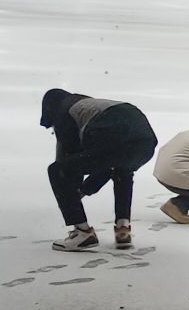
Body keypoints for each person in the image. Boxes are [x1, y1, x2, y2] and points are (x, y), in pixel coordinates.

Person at [41, 88, 159, 251]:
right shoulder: (89, 105)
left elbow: (69, 159)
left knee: (56, 171)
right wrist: (86, 188)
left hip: (112, 130)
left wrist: (73, 193)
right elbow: (107, 164)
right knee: (122, 168)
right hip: (145, 141)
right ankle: (123, 229)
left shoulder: (64, 111)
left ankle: (82, 233)